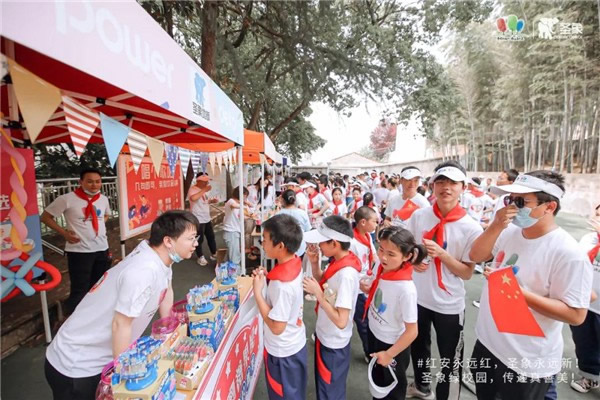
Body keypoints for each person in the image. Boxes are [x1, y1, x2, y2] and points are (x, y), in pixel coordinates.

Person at [45, 211, 199, 400]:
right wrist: (122, 377)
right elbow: (121, 325)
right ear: (168, 241)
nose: (196, 244)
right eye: (191, 238)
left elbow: (166, 292)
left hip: (98, 358)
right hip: (77, 365)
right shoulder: (143, 270)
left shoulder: (158, 256)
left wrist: (172, 334)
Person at [469, 170, 593, 400]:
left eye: (521, 202)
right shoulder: (510, 232)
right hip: (488, 343)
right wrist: (496, 226)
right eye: (509, 200)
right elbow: (476, 255)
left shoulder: (568, 253)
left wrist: (518, 294)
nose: (512, 208)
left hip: (525, 362)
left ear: (549, 207)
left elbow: (576, 315)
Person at [405, 160, 483, 400]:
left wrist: (443, 255)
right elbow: (409, 249)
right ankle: (421, 386)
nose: (446, 187)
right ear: (432, 185)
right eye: (441, 181)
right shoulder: (420, 216)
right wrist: (415, 260)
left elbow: (467, 273)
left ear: (463, 187)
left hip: (449, 304)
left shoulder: (471, 228)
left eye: (452, 182)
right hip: (418, 298)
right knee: (419, 349)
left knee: (450, 358)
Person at [362, 226, 427, 400]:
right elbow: (382, 294)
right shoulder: (382, 267)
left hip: (392, 344)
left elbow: (412, 331)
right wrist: (368, 290)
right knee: (378, 381)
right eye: (381, 249)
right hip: (375, 332)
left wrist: (389, 354)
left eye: (391, 254)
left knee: (392, 387)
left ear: (407, 256)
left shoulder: (406, 289)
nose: (383, 256)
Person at [303, 216, 362, 400]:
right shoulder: (338, 261)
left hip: (333, 341)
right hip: (326, 336)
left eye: (321, 242)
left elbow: (341, 321)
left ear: (334, 243)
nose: (319, 245)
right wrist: (314, 263)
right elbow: (325, 282)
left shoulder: (346, 275)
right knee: (326, 387)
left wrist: (318, 294)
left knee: (330, 391)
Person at [41, 168, 112, 314]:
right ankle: (74, 320)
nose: (94, 185)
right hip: (79, 252)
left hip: (101, 249)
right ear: (81, 182)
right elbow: (45, 217)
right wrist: (64, 233)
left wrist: (97, 226)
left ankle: (94, 315)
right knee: (80, 288)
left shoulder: (103, 199)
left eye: (98, 182)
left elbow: (105, 216)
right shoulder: (67, 199)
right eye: (90, 181)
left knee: (99, 286)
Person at [252, 214, 307, 400]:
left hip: (283, 352)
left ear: (280, 246)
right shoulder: (295, 263)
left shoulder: (281, 285)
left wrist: (258, 293)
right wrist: (267, 279)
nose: (262, 243)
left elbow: (276, 327)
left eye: (265, 240)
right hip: (295, 343)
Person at [570, 210, 600, 393]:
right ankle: (589, 376)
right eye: (596, 215)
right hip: (585, 302)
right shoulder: (588, 238)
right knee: (585, 342)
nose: (596, 219)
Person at [350, 206, 379, 363]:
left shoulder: (367, 236)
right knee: (362, 321)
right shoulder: (352, 242)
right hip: (358, 285)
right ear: (363, 222)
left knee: (365, 317)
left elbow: (373, 256)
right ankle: (369, 352)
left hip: (366, 282)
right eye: (374, 221)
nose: (377, 224)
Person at [187, 172, 218, 266]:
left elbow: (204, 201)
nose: (206, 183)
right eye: (204, 181)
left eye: (207, 181)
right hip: (198, 218)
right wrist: (204, 190)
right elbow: (193, 198)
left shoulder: (204, 190)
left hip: (206, 217)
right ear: (198, 180)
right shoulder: (193, 189)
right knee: (199, 239)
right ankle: (200, 257)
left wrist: (211, 201)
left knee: (211, 236)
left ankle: (214, 253)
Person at [277, 189, 311, 257]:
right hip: (300, 246)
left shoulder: (279, 214)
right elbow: (308, 230)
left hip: (284, 248)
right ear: (295, 200)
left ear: (283, 200)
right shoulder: (303, 213)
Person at [223, 186, 250, 266]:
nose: (245, 198)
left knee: (233, 254)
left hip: (235, 231)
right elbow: (233, 206)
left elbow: (239, 216)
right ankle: (235, 275)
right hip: (231, 232)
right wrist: (245, 206)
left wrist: (249, 216)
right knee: (235, 257)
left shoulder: (238, 204)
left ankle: (227, 273)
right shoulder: (231, 201)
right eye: (245, 195)